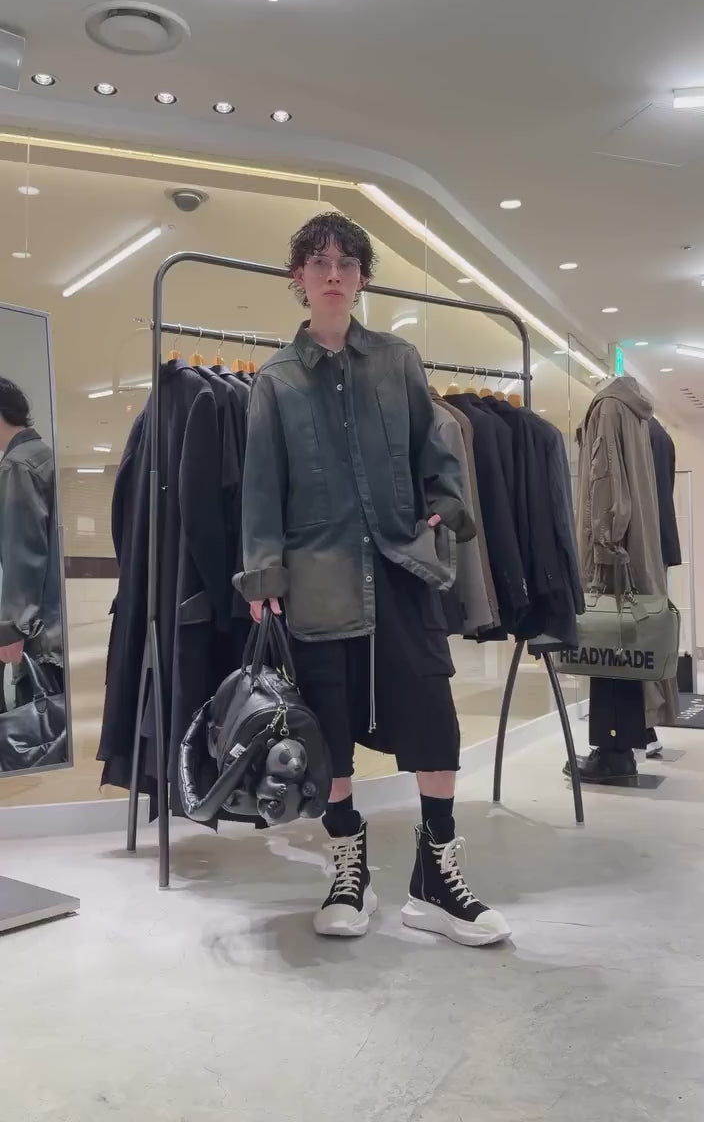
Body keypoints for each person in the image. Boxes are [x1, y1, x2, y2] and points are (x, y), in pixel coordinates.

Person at [238, 212, 511, 947]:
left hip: (401, 569)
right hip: (317, 580)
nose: (334, 274)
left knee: (432, 719)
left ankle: (436, 880)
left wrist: (443, 507)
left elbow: (437, 453)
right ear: (298, 276)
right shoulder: (275, 382)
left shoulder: (398, 361)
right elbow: (260, 490)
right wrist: (264, 575)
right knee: (328, 731)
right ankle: (347, 871)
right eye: (319, 262)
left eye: (348, 263)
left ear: (362, 277)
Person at [0, 377, 63, 712]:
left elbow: (23, 556)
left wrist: (12, 629)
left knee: (34, 729)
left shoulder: (17, 465)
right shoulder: (45, 456)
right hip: (56, 634)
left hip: (38, 640)